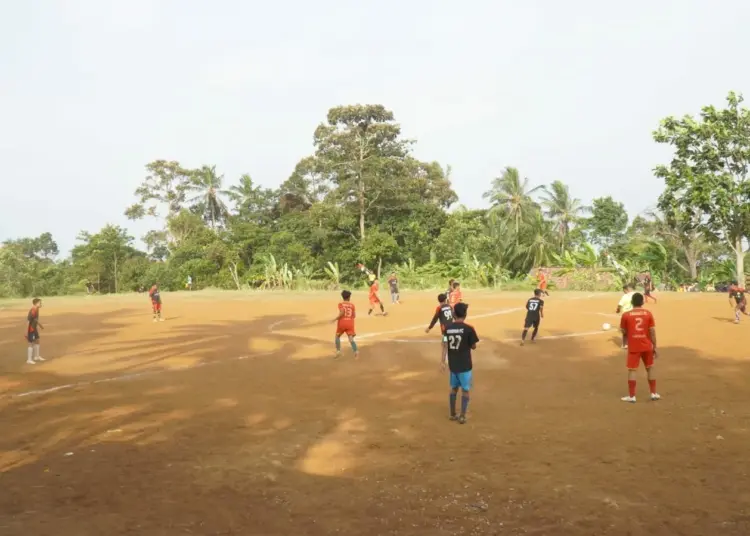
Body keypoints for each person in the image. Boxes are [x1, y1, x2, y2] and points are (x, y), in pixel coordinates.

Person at [619, 292, 660, 403]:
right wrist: (654, 346)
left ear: (632, 302)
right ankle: (653, 393)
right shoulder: (648, 314)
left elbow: (623, 331)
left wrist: (625, 342)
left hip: (634, 346)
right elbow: (652, 331)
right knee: (650, 367)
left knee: (632, 370)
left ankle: (632, 396)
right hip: (647, 346)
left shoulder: (626, 315)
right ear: (642, 302)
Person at [443, 302, 479, 424]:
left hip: (453, 365)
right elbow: (473, 346)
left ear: (454, 314)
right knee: (465, 390)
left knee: (453, 389)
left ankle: (452, 414)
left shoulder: (447, 328)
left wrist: (443, 361)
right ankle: (462, 416)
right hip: (465, 365)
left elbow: (444, 343)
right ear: (465, 314)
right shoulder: (469, 329)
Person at [425, 293, 454, 362]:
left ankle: (446, 360)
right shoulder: (450, 306)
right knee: (446, 342)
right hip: (452, 327)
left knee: (445, 344)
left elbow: (435, 319)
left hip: (445, 330)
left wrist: (429, 328)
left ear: (439, 300)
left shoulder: (439, 308)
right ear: (445, 299)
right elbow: (454, 316)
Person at [332, 290, 358, 359]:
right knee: (351, 339)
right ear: (349, 297)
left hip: (342, 323)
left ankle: (338, 351)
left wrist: (335, 319)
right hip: (350, 323)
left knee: (337, 336)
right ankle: (356, 352)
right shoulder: (352, 305)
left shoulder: (340, 304)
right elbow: (354, 315)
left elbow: (342, 312)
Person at [615, 284, 636, 348]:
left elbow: (620, 305)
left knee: (624, 330)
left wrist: (618, 310)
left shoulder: (624, 296)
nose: (623, 292)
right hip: (633, 314)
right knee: (632, 329)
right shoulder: (635, 294)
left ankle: (625, 344)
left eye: (624, 290)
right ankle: (633, 343)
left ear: (626, 290)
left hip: (625, 315)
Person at [25, 298, 45, 365]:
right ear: (36, 304)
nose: (41, 304)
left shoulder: (37, 309)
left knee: (37, 340)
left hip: (34, 328)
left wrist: (40, 325)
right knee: (31, 343)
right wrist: (26, 332)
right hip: (31, 329)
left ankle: (36, 356)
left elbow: (35, 319)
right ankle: (29, 359)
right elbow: (28, 321)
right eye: (40, 303)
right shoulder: (33, 311)